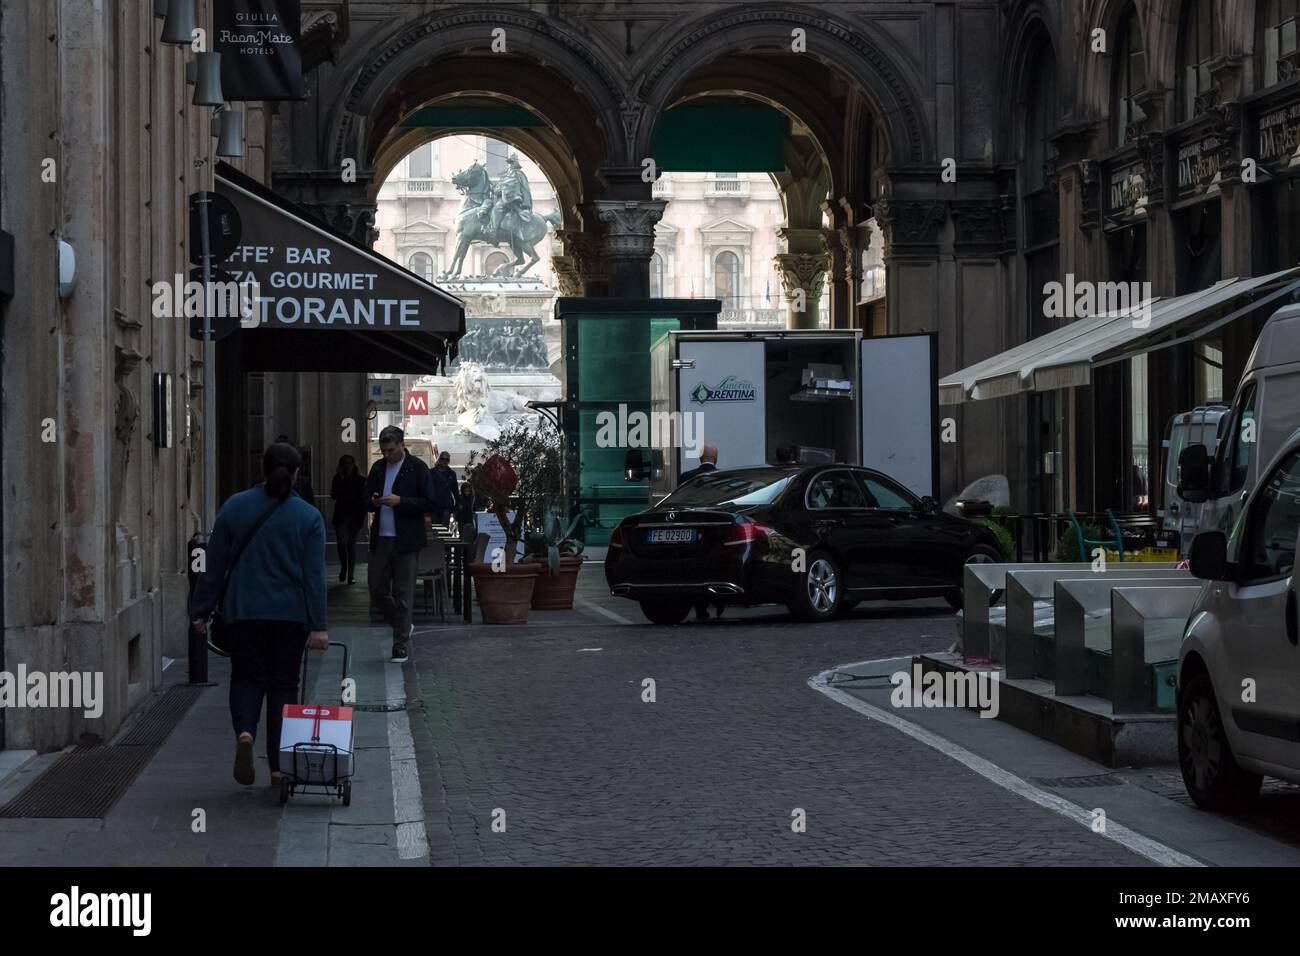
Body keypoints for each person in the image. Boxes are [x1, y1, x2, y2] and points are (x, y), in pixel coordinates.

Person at [190, 443, 328, 788]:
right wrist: (319, 626)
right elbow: (314, 578)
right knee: (284, 684)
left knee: (246, 678)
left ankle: (246, 733)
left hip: (243, 611)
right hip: (290, 615)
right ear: (297, 475)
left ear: (262, 470)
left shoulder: (235, 506)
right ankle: (279, 768)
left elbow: (214, 564)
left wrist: (200, 610)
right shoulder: (309, 517)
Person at [365, 426, 434, 663]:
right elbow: (365, 498)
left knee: (403, 592)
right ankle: (402, 624)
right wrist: (373, 501)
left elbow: (429, 502)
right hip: (381, 537)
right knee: (376, 588)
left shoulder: (417, 468)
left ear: (401, 445)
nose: (387, 455)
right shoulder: (378, 468)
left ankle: (400, 643)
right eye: (383, 451)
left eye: (391, 450)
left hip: (407, 539)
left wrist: (400, 501)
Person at [330, 455, 367, 584]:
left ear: (353, 464)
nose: (347, 466)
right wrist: (340, 480)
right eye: (345, 464)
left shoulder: (361, 480)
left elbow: (363, 499)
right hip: (342, 515)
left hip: (354, 516)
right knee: (342, 544)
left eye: (349, 463)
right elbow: (333, 495)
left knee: (351, 544)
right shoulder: (338, 479)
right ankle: (344, 567)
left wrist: (362, 517)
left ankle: (350, 573)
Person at [430, 450, 460, 527]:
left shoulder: (452, 473)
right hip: (434, 505)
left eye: (447, 459)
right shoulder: (431, 472)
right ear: (439, 459)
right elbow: (427, 489)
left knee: (444, 529)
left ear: (449, 461)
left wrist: (457, 504)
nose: (444, 461)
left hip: (446, 505)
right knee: (436, 529)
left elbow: (455, 490)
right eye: (442, 458)